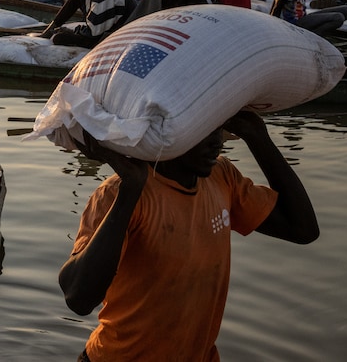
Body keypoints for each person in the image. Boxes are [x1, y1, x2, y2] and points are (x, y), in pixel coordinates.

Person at [60, 111, 319, 361]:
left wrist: (258, 137)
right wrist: (130, 189)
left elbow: (302, 229)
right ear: (165, 131)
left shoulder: (222, 178)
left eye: (217, 128)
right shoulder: (118, 193)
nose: (217, 142)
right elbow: (78, 299)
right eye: (202, 130)